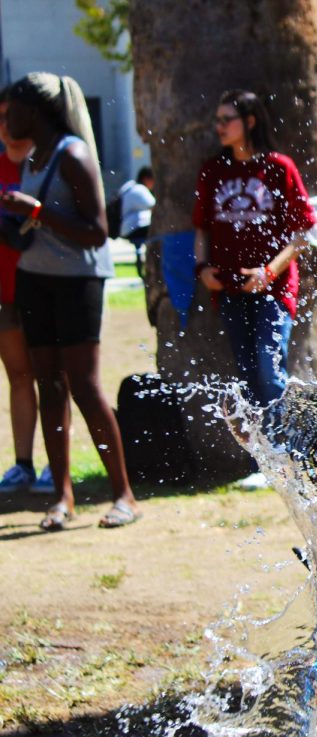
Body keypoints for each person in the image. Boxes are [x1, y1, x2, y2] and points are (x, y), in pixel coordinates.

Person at [0, 74, 139, 530]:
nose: (6, 119)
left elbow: (97, 231)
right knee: (49, 387)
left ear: (35, 112)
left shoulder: (73, 155)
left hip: (77, 282)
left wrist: (35, 211)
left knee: (83, 385)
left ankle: (123, 495)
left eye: (11, 110)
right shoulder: (33, 157)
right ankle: (62, 497)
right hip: (35, 280)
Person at [193, 88, 317, 491]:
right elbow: (201, 228)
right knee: (248, 373)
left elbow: (302, 235)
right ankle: (263, 457)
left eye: (225, 119)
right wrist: (202, 269)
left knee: (269, 367)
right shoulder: (213, 170)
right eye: (217, 120)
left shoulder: (278, 167)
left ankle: (281, 456)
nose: (219, 127)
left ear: (249, 121)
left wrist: (269, 270)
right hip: (228, 287)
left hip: (272, 287)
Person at [0, 85, 51, 495]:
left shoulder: (49, 166)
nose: (8, 127)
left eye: (12, 116)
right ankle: (23, 464)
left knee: (56, 376)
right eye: (1, 119)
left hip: (49, 286)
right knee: (19, 375)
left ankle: (58, 462)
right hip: (5, 291)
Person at [117, 166, 155, 278]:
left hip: (124, 227)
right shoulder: (140, 190)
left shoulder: (129, 186)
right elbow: (155, 206)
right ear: (146, 179)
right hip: (133, 228)